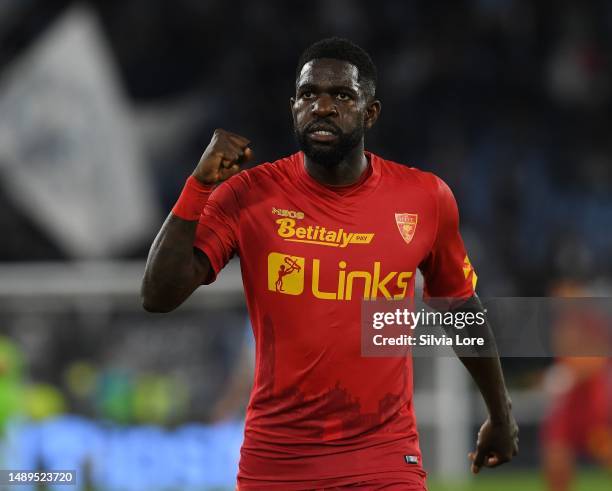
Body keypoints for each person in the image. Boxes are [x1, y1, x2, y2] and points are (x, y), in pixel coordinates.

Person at [141, 37, 518, 491]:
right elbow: (157, 295)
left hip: (384, 461)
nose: (321, 106)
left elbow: (460, 310)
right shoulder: (248, 196)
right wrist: (198, 186)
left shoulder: (425, 199)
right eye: (308, 94)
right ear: (293, 108)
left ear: (370, 113)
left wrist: (501, 414)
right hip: (276, 464)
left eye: (341, 95)